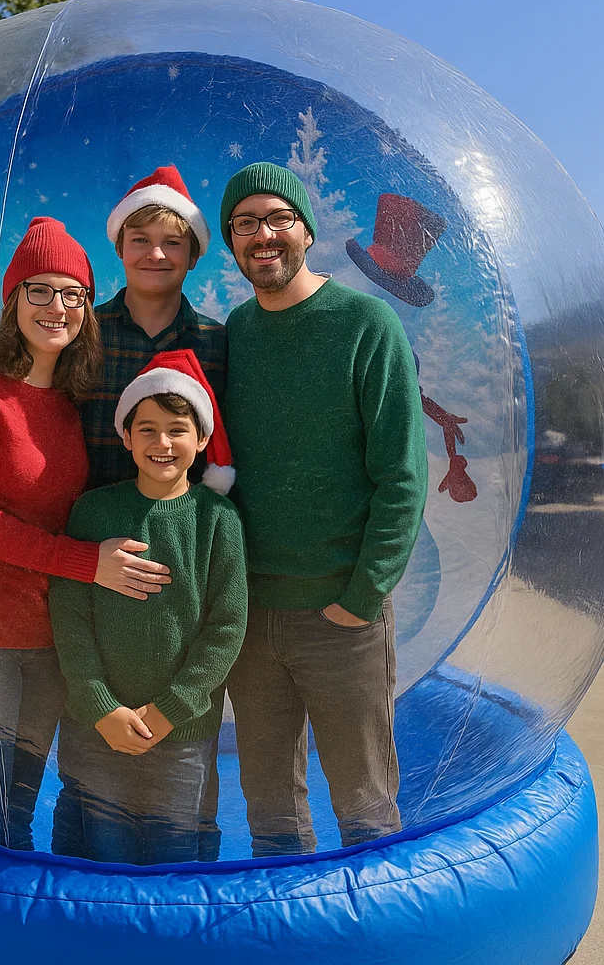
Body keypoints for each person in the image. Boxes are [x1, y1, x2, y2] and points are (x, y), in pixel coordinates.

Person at [0, 217, 173, 851]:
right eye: (39, 290)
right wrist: (90, 565)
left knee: (17, 819)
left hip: (45, 633)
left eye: (73, 293)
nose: (56, 307)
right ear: (13, 300)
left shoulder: (71, 398)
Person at [219, 163, 428, 856]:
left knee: (366, 805)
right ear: (232, 242)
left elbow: (401, 474)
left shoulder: (366, 322)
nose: (263, 234)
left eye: (278, 217)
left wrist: (363, 596)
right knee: (270, 808)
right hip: (250, 618)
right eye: (245, 223)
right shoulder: (233, 336)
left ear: (306, 230)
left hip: (342, 615)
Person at [49, 349, 247, 865]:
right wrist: (99, 706)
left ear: (201, 439)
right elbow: (70, 620)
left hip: (181, 733)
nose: (162, 443)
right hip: (96, 727)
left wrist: (170, 711)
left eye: (177, 430)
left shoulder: (217, 519)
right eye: (148, 429)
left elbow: (226, 627)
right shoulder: (94, 512)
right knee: (97, 857)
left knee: (175, 860)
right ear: (126, 437)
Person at [80, 165, 226, 491]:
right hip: (90, 527)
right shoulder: (83, 332)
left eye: (172, 242)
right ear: (120, 249)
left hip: (186, 525)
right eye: (140, 240)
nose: (156, 254)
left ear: (193, 256)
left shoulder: (218, 343)